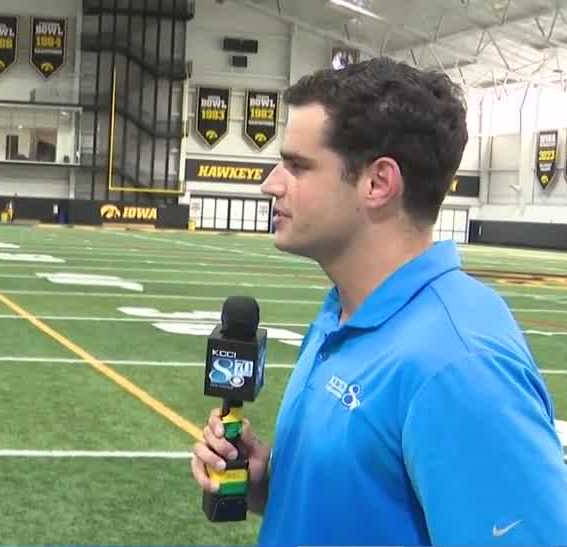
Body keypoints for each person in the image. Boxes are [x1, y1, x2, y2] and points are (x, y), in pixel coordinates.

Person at [191, 58, 567, 544]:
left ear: (377, 183)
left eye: (298, 166)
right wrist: (270, 488)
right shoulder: (345, 312)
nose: (271, 183)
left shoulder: (458, 366)